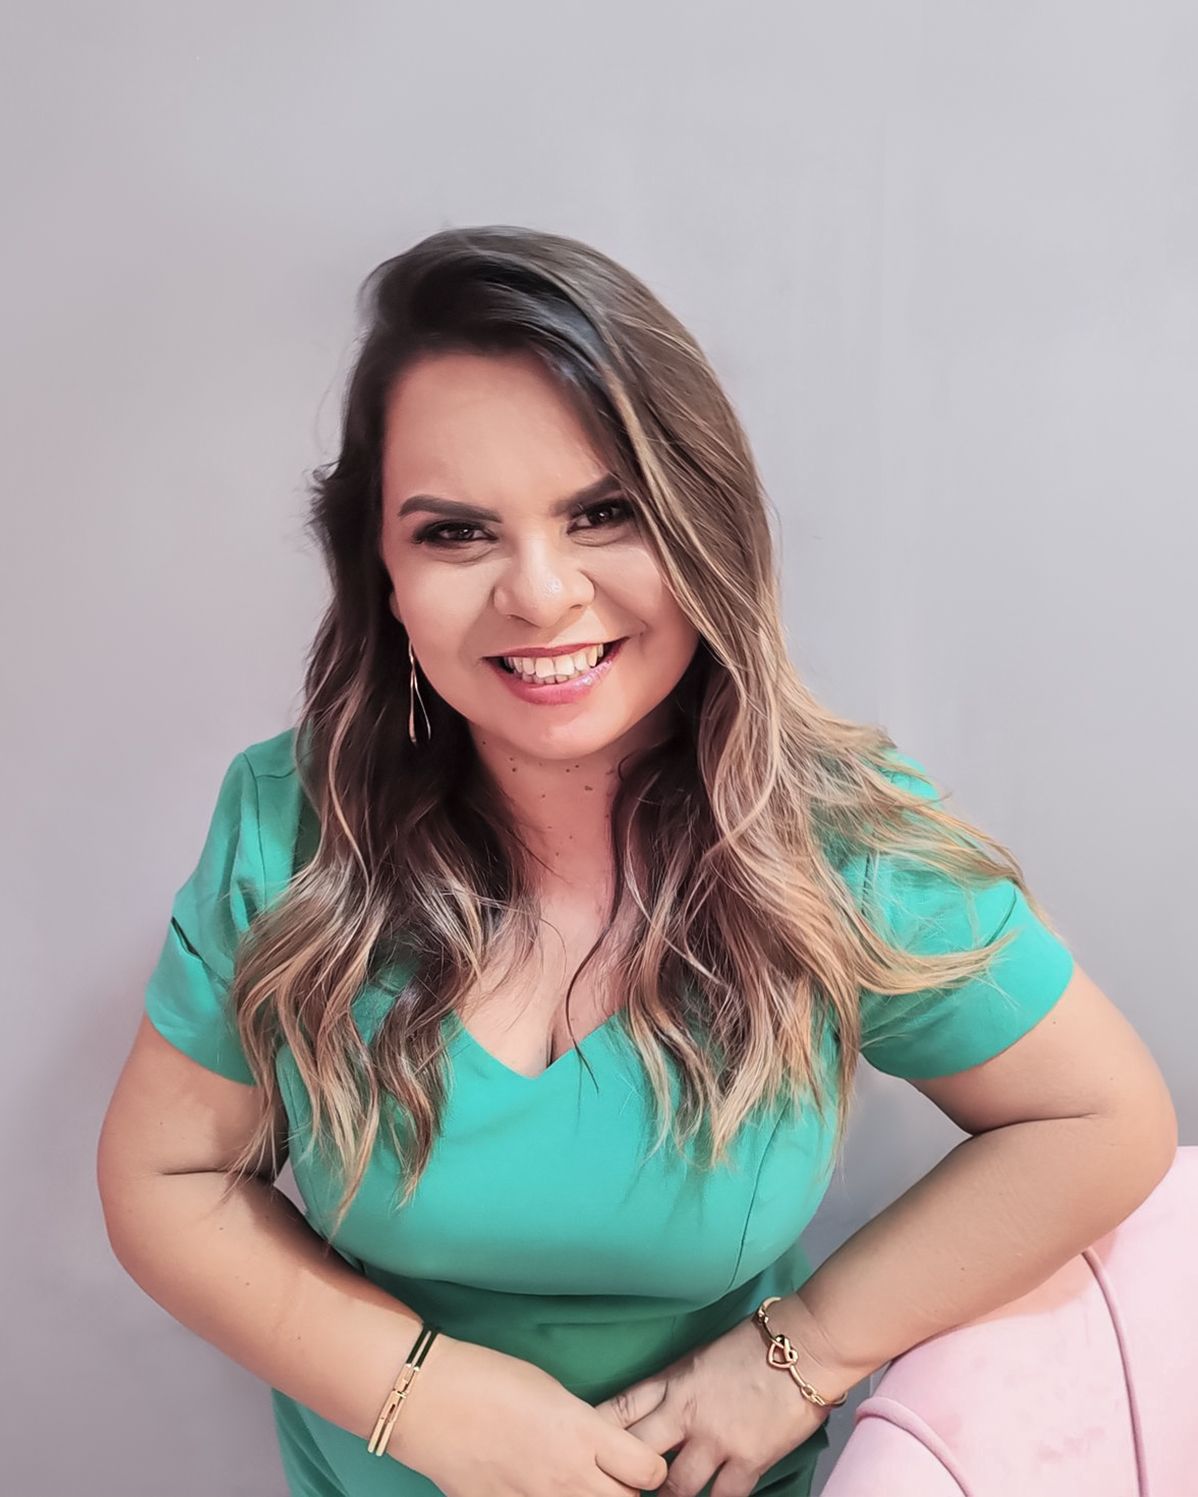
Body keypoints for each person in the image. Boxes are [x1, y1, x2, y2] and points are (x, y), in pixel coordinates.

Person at [97, 225, 1177, 1497]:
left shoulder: (831, 835)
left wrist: (802, 1356)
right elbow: (168, 1178)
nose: (541, 595)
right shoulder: (293, 819)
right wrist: (420, 1396)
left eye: (604, 513)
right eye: (456, 534)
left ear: (701, 524)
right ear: (380, 571)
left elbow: (1100, 1122)